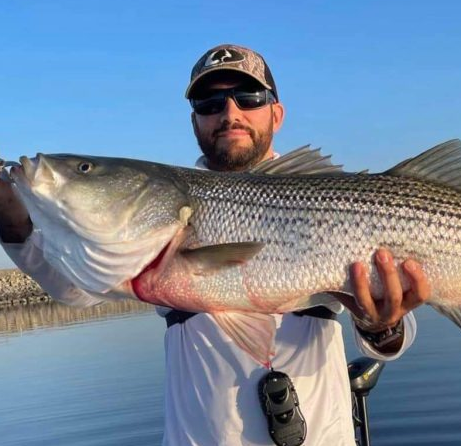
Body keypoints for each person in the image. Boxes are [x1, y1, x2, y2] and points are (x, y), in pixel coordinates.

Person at [0, 43, 431, 445]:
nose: (229, 112)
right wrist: (13, 223)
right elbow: (73, 288)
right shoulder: (148, 234)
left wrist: (383, 326)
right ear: (195, 122)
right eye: (208, 104)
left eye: (248, 98)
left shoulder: (331, 195)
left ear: (276, 114)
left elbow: (400, 331)